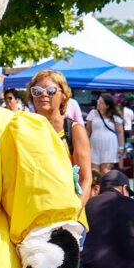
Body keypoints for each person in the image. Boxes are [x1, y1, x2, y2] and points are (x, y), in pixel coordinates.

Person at [29, 70, 92, 207]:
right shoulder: (25, 129)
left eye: (51, 90)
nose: (43, 94)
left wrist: (73, 216)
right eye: (37, 91)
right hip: (33, 211)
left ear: (63, 96)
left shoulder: (75, 131)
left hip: (66, 210)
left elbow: (85, 180)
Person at [87, 93, 127, 178]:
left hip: (109, 145)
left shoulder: (115, 117)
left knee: (105, 171)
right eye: (98, 101)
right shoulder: (93, 113)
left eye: (101, 103)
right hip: (94, 145)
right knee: (94, 171)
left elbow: (120, 133)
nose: (98, 104)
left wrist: (121, 147)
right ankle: (96, 189)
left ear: (107, 106)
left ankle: (105, 188)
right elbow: (88, 130)